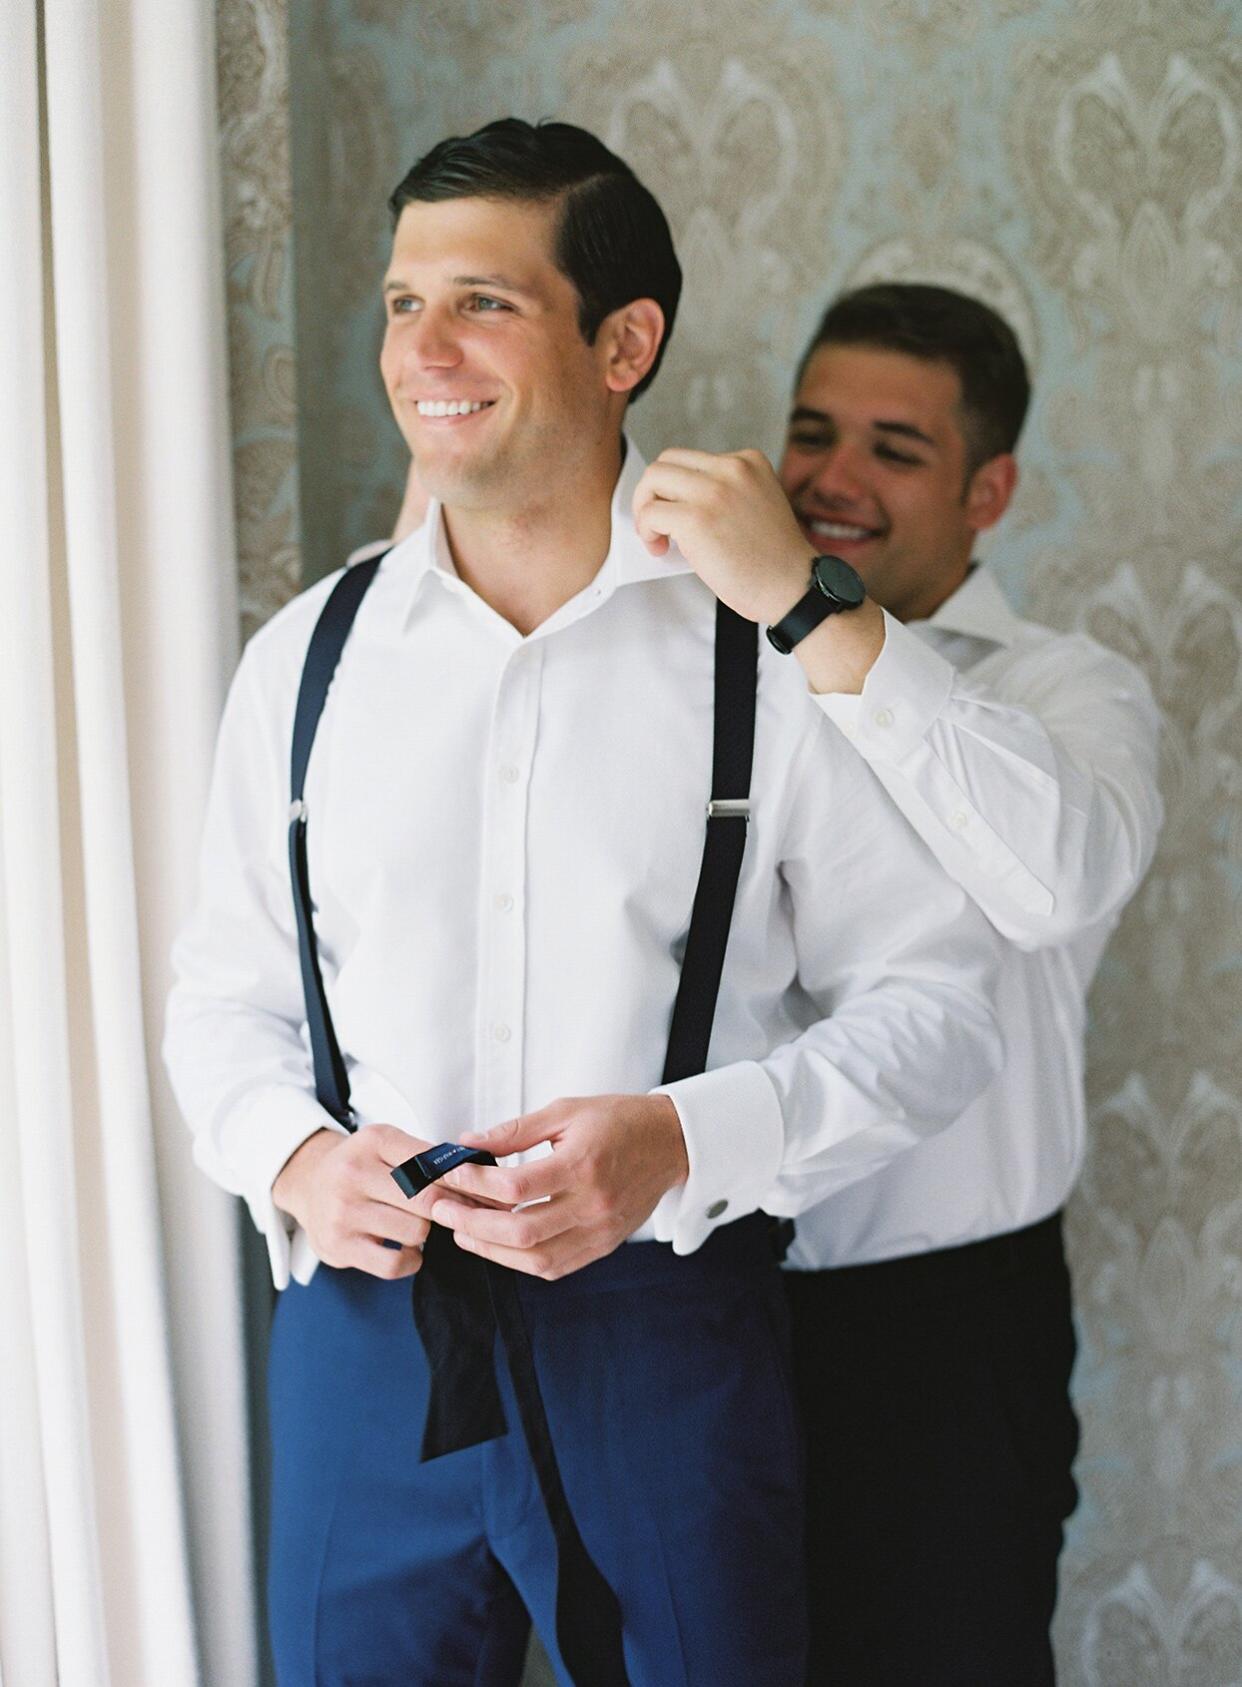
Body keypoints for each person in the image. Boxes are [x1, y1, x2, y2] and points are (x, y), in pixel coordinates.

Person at [164, 126, 1007, 1687]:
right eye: (402, 302)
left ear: (624, 344)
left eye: (480, 300)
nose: (421, 349)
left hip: (663, 1339)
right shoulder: (308, 658)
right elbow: (221, 993)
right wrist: (287, 1155)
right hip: (363, 1340)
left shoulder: (764, 653)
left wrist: (687, 1139)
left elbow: (941, 1011)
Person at [628, 282, 1163, 1685]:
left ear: (988, 489)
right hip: (694, 1299)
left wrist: (811, 611)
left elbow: (1049, 877)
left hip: (940, 1336)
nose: (831, 478)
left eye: (893, 448)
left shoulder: (1068, 689)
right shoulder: (697, 671)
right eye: (811, 433)